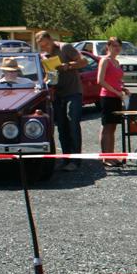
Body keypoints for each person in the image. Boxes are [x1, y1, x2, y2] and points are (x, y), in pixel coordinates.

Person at [36, 30, 87, 171]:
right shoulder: (43, 56)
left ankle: (76, 160)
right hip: (58, 94)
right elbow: (46, 76)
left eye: (46, 45)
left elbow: (84, 61)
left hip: (73, 92)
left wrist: (69, 65)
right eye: (42, 46)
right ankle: (66, 158)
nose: (45, 48)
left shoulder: (65, 48)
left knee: (73, 122)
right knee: (62, 126)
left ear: (51, 40)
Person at [97, 37, 131, 168]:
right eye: (114, 46)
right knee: (107, 127)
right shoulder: (105, 61)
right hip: (107, 97)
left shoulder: (116, 62)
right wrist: (115, 91)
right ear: (108, 46)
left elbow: (115, 80)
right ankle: (106, 157)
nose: (117, 48)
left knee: (112, 127)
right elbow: (100, 80)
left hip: (116, 97)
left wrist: (122, 88)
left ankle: (111, 155)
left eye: (119, 46)